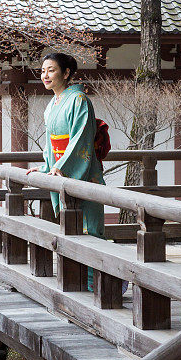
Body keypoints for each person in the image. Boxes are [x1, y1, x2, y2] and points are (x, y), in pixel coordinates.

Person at [27, 53, 105, 290]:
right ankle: (79, 281)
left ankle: (98, 284)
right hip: (60, 169)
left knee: (90, 229)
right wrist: (47, 168)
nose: (45, 75)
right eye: (42, 71)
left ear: (67, 73)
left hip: (82, 169)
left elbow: (81, 137)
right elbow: (52, 144)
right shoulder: (53, 104)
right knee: (70, 229)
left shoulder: (79, 100)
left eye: (51, 70)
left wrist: (61, 166)